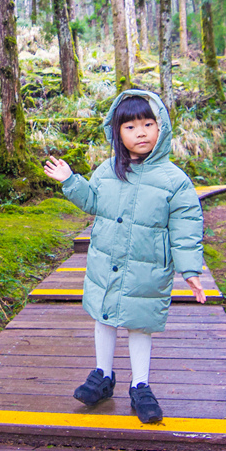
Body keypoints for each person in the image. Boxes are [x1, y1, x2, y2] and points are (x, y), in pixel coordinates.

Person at [43, 89, 205, 424]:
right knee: (103, 317)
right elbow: (94, 203)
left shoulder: (175, 181)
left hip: (148, 269)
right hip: (106, 261)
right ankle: (103, 375)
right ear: (117, 132)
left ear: (162, 129)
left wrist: (190, 271)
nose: (141, 132)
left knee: (139, 324)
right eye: (130, 127)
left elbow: (186, 227)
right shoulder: (108, 170)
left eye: (148, 124)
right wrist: (71, 181)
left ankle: (140, 384)